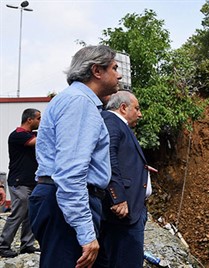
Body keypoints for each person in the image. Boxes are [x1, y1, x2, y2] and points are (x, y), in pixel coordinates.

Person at [28, 45, 121, 268]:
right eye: (114, 68)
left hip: (60, 201)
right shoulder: (80, 103)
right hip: (65, 204)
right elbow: (71, 173)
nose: (119, 75)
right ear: (97, 71)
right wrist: (86, 232)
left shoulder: (70, 99)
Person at [94, 91, 149, 268]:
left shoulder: (119, 125)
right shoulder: (111, 122)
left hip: (130, 209)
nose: (140, 114)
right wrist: (117, 197)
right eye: (137, 109)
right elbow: (107, 158)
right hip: (122, 212)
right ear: (123, 108)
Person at [0, 109, 41, 258]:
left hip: (31, 181)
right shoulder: (17, 135)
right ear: (29, 120)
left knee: (30, 213)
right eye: (38, 118)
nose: (40, 121)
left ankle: (27, 245)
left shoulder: (32, 134)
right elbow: (36, 141)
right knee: (18, 212)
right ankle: (3, 245)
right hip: (19, 182)